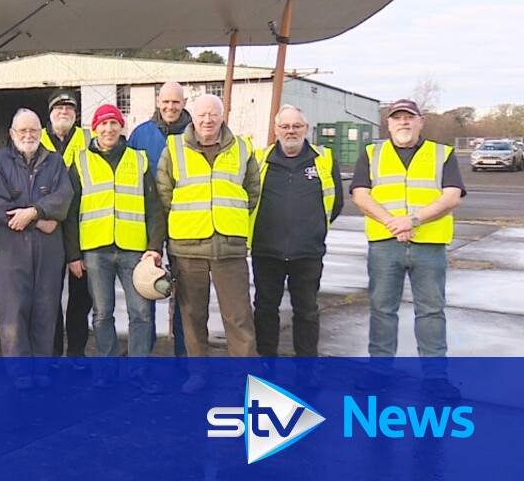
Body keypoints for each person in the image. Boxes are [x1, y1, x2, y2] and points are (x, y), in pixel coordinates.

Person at [351, 99, 464, 401]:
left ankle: (435, 378)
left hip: (429, 245)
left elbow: (452, 196)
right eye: (397, 118)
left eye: (409, 118)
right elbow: (360, 194)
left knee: (430, 311)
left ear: (420, 122)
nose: (403, 123)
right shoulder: (372, 153)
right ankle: (379, 372)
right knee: (382, 310)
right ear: (387, 124)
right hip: (384, 244)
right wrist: (392, 222)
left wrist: (412, 220)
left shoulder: (443, 154)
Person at [150, 93, 260, 394]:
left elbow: (252, 193)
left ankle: (245, 378)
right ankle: (198, 373)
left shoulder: (242, 148)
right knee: (192, 315)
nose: (207, 120)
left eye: (213, 114)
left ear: (222, 116)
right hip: (187, 247)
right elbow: (164, 195)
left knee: (238, 316)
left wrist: (228, 219)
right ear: (193, 117)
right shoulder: (174, 149)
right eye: (201, 115)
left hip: (229, 246)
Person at [65, 104, 162, 394]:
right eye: (102, 124)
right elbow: (70, 213)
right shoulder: (80, 162)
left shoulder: (139, 159)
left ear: (122, 127)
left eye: (113, 123)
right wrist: (73, 254)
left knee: (141, 313)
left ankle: (138, 372)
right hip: (95, 251)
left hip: (135, 251)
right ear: (94, 129)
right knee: (102, 313)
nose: (108, 129)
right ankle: (106, 371)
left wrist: (155, 247)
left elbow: (154, 208)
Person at [250, 105, 342, 381]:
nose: (291, 131)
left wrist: (313, 230)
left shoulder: (323, 159)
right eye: (285, 126)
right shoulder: (259, 160)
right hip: (267, 251)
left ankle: (307, 368)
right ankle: (267, 364)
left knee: (307, 311)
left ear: (306, 129)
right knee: (266, 309)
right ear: (276, 130)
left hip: (307, 252)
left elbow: (335, 203)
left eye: (297, 126)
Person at [0, 109, 73, 390]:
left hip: (48, 252)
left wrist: (35, 210)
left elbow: (64, 197)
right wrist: (40, 219)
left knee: (45, 310)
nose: (28, 135)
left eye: (33, 130)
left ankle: (42, 368)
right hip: (9, 250)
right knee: (13, 311)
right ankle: (20, 372)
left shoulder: (55, 162)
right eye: (22, 131)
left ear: (41, 132)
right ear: (12, 134)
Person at [127, 80, 191, 358]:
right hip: (148, 224)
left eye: (175, 102)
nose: (170, 107)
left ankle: (184, 353)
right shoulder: (141, 135)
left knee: (186, 293)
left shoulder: (197, 134)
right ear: (157, 102)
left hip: (186, 225)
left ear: (184, 103)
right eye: (165, 101)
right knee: (148, 284)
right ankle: (145, 349)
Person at [40, 89, 91, 370]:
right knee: (50, 295)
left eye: (69, 108)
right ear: (50, 113)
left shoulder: (88, 139)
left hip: (82, 227)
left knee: (81, 298)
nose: (64, 112)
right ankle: (53, 351)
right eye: (58, 108)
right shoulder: (37, 138)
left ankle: (77, 352)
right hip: (48, 229)